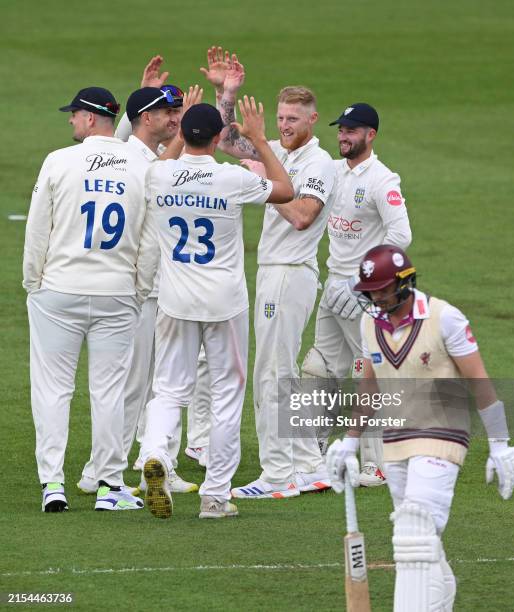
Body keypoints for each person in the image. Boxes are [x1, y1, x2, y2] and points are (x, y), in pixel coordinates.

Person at [326, 244, 514, 611]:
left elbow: (479, 380)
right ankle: (441, 597)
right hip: (396, 441)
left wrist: (500, 444)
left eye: (383, 289)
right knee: (417, 538)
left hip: (442, 436)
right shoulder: (368, 323)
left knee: (415, 529)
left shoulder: (444, 317)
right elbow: (369, 384)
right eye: (371, 291)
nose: (376, 297)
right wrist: (349, 442)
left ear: (405, 282)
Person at [140, 99, 294, 519]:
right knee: (226, 397)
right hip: (224, 302)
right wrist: (261, 140)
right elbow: (286, 191)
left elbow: (165, 166)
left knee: (169, 390)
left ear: (182, 134)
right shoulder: (231, 178)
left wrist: (177, 137)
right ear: (216, 137)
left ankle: (155, 455)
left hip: (174, 300)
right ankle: (215, 496)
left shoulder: (159, 175)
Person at [202, 46, 337, 499]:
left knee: (272, 375)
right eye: (280, 119)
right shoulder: (280, 150)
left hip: (290, 272)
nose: (283, 127)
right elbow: (223, 141)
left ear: (313, 120)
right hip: (276, 272)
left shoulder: (318, 164)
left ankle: (277, 477)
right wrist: (227, 94)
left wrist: (261, 159)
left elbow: (301, 215)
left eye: (293, 120)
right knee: (283, 372)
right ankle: (309, 465)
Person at [23, 86, 159, 512]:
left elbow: (36, 230)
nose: (70, 121)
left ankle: (53, 484)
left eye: (74, 114)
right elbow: (150, 242)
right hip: (117, 292)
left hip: (59, 290)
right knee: (110, 391)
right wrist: (138, 290)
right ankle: (109, 485)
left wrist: (34, 284)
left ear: (90, 118)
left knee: (52, 390)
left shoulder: (59, 161)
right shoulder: (140, 166)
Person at [76, 85, 199, 496]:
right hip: (141, 291)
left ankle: (161, 460)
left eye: (178, 112)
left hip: (167, 289)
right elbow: (155, 179)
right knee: (132, 387)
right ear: (146, 118)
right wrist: (184, 132)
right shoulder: (132, 157)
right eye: (167, 112)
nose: (175, 119)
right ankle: (99, 470)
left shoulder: (150, 152)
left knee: (166, 384)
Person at [301, 103, 412, 486]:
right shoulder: (332, 171)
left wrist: (362, 282)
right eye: (342, 130)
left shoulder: (383, 181)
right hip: (333, 285)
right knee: (319, 367)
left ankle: (376, 464)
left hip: (363, 293)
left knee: (369, 372)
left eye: (352, 130)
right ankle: (312, 451)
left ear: (371, 135)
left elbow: (401, 238)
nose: (344, 136)